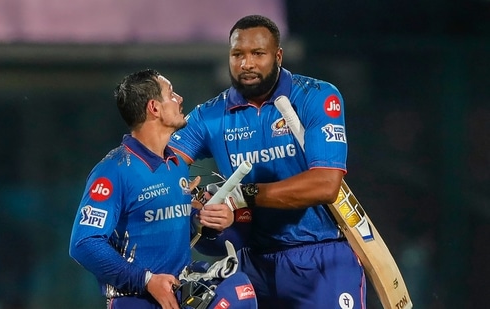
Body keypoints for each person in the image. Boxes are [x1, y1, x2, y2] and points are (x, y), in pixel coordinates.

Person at [169, 15, 366, 308]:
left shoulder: (317, 97)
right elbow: (163, 167)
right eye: (238, 55)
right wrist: (194, 204)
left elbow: (326, 185)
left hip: (322, 257)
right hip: (253, 265)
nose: (246, 64)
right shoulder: (209, 115)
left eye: (257, 54)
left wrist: (242, 197)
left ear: (278, 56)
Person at [69, 69, 253, 309]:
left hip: (178, 293)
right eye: (171, 94)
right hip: (136, 300)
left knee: (241, 292)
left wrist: (200, 221)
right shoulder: (113, 171)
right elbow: (84, 244)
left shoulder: (175, 164)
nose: (179, 99)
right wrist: (147, 281)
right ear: (154, 108)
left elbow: (164, 227)